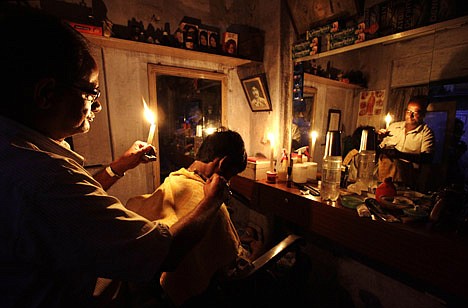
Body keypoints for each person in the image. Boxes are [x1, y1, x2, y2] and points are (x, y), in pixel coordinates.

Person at [0, 6, 228, 307]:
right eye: (91, 92)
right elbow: (163, 252)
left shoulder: (20, 150)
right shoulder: (41, 179)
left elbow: (70, 209)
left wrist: (119, 167)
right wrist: (212, 201)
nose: (98, 107)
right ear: (46, 94)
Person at [125, 128, 262, 306]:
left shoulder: (174, 179)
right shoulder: (212, 207)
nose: (230, 182)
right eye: (232, 174)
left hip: (149, 285)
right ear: (223, 163)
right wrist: (255, 252)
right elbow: (231, 268)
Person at [377, 95, 435, 190]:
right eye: (408, 111)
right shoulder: (394, 127)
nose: (410, 115)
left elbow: (427, 158)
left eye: (415, 112)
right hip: (384, 176)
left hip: (407, 180)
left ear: (424, 114)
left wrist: (400, 155)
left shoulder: (426, 133)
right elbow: (381, 148)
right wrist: (380, 138)